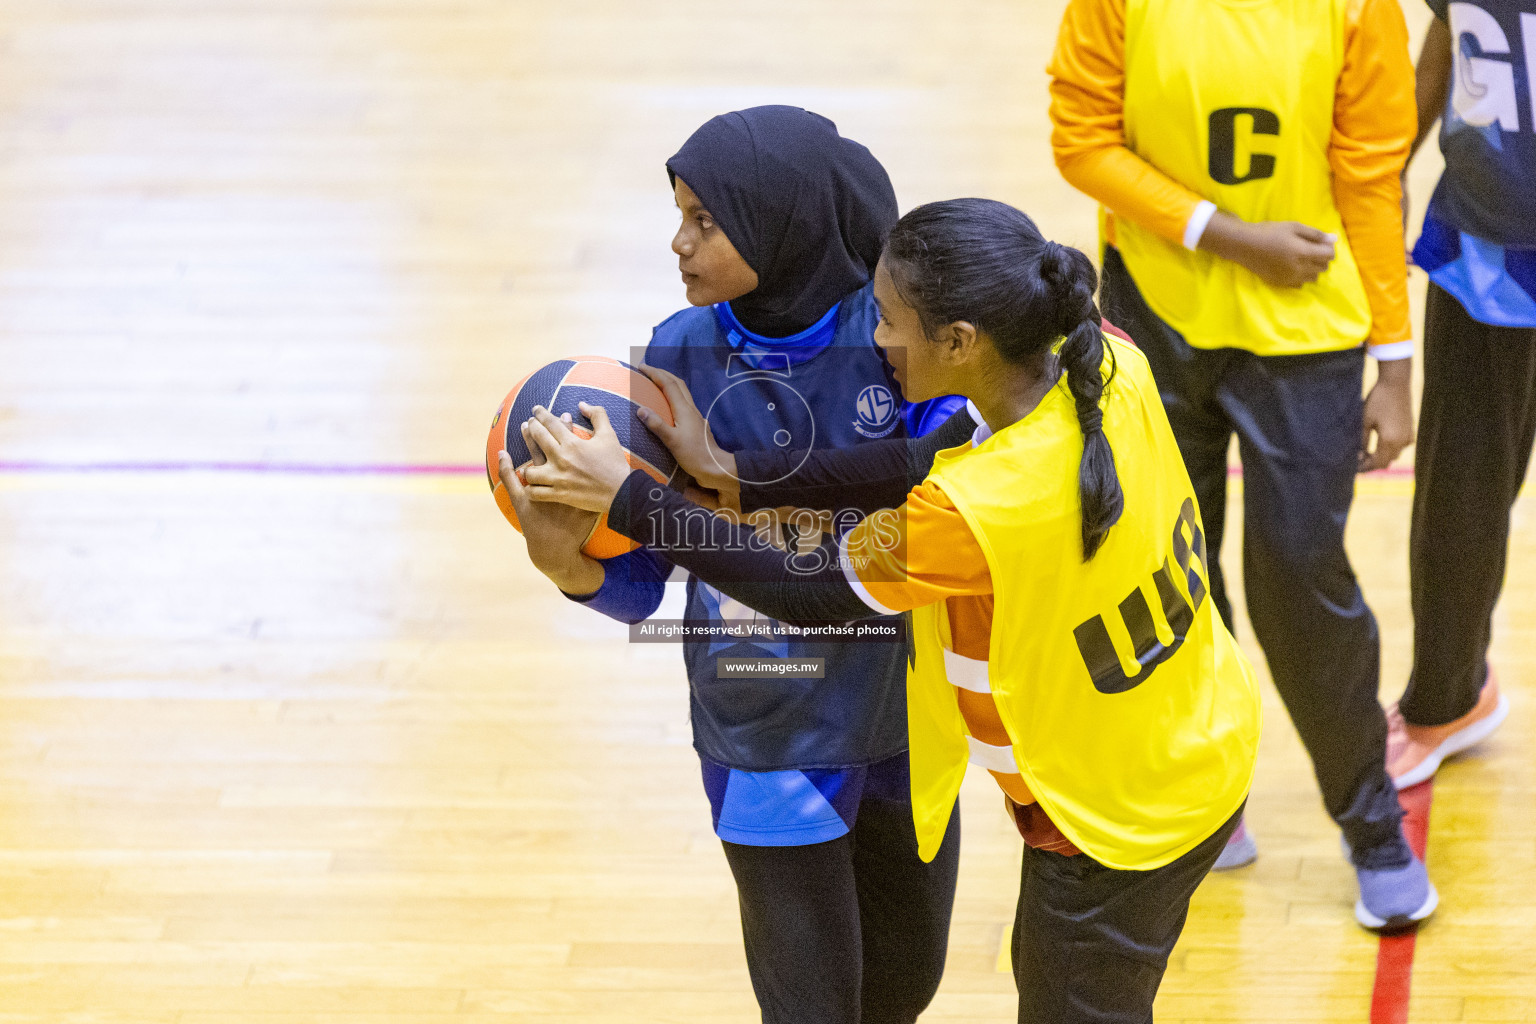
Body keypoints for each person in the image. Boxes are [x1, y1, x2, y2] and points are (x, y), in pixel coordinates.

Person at [510, 198, 1263, 1024]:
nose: (875, 339)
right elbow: (922, 453)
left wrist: (633, 498)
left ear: (960, 342)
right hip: (1200, 741)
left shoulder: (983, 508)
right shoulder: (1106, 366)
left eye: (892, 320)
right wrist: (740, 471)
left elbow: (809, 588)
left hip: (1115, 817)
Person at [503, 106, 963, 1024]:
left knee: (903, 990)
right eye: (678, 214)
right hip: (763, 732)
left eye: (706, 221)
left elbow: (944, 491)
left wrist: (749, 479)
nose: (678, 243)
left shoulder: (899, 336)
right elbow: (642, 579)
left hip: (910, 722)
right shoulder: (676, 353)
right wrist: (566, 564)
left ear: (778, 221)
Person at [1047, 0, 1436, 928]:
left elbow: (1373, 176)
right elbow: (1081, 138)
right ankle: (1208, 795)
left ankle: (1371, 824)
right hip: (1154, 315)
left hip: (1307, 333)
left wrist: (1394, 359)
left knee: (1301, 575)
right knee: (1170, 572)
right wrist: (1223, 234)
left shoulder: (1355, 9)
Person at [1388, 0, 1531, 787]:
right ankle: (1448, 698)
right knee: (1463, 493)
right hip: (1491, 250)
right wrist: (1387, 169)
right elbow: (1450, 32)